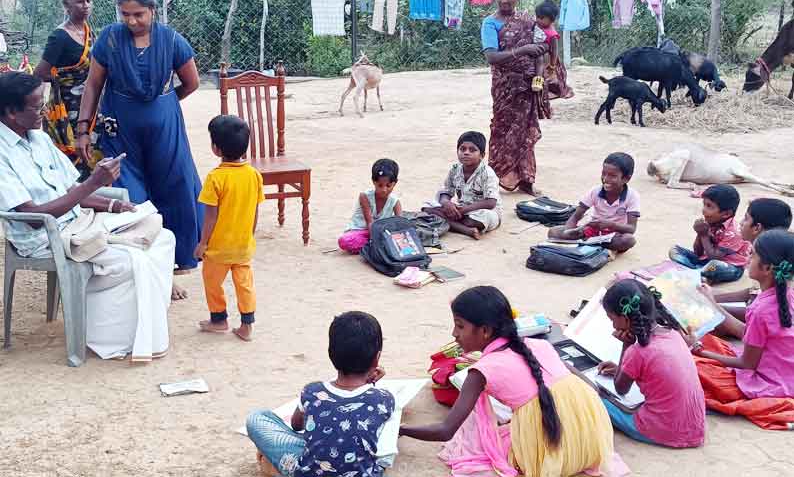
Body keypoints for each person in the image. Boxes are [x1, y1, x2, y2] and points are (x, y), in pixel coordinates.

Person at [0, 71, 176, 361]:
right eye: (36, 106)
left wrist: (112, 206)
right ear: (11, 112)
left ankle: (139, 326)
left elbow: (71, 189)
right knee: (133, 260)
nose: (44, 111)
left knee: (162, 238)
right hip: (45, 236)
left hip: (78, 221)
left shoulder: (39, 138)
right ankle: (111, 340)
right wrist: (93, 184)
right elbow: (31, 217)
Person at [399, 286, 622, 477]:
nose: (454, 334)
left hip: (550, 458)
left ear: (485, 331)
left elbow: (446, 430)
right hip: (591, 443)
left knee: (474, 439)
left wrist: (403, 430)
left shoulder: (480, 372)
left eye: (460, 326)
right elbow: (586, 385)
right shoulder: (539, 345)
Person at [76, 0, 203, 294]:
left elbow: (191, 82)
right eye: (125, 14)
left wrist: (163, 105)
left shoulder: (172, 41)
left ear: (153, 11)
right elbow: (93, 85)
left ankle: (175, 261)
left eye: (138, 14)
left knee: (173, 188)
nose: (132, 21)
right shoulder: (109, 39)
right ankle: (142, 264)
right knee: (128, 193)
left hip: (165, 129)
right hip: (120, 129)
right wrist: (83, 127)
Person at [246, 311, 394, 477]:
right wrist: (370, 382)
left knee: (257, 417)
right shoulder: (384, 398)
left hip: (310, 471)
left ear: (331, 354)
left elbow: (296, 426)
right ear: (377, 358)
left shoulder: (312, 391)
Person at [691, 229, 794, 430]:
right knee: (707, 342)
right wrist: (711, 302)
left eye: (752, 253)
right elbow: (748, 333)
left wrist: (701, 352)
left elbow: (746, 363)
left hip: (771, 381)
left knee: (692, 363)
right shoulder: (787, 296)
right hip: (787, 373)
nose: (747, 256)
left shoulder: (760, 309)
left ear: (766, 268)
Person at [596, 280, 706, 447]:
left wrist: (626, 344)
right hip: (694, 427)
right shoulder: (673, 333)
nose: (613, 325)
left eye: (612, 319)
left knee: (595, 399)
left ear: (625, 318)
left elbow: (621, 389)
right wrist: (621, 369)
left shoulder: (638, 351)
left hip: (663, 430)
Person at [194, 116, 264, 342]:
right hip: (243, 245)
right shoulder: (254, 175)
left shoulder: (215, 177)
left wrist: (203, 244)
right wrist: (249, 235)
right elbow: (254, 210)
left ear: (216, 149)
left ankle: (219, 319)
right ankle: (246, 326)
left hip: (218, 249)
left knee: (212, 282)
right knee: (245, 284)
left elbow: (210, 216)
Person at [481, 0, 550, 196]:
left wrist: (538, 80)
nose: (505, 1)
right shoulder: (490, 23)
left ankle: (526, 180)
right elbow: (492, 57)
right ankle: (493, 178)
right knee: (502, 129)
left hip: (527, 87)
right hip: (505, 87)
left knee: (525, 131)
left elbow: (541, 50)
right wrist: (522, 51)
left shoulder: (529, 21)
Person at [34, 0, 100, 181]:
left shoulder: (89, 31)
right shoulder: (60, 37)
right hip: (67, 109)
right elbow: (40, 73)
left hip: (91, 105)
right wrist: (64, 83)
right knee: (72, 158)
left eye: (89, 1)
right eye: (80, 2)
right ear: (67, 5)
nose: (86, 5)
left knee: (95, 152)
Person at [548, 152, 639, 253]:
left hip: (614, 234)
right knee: (554, 232)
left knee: (628, 240)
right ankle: (596, 244)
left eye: (612, 176)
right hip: (591, 231)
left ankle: (591, 243)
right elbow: (575, 217)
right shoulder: (595, 191)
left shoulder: (632, 196)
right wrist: (569, 231)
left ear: (626, 178)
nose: (605, 179)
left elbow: (631, 228)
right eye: (603, 173)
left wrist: (611, 225)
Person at [713, 198, 792, 313]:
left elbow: (753, 313)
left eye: (746, 218)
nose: (740, 223)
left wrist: (712, 305)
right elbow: (753, 292)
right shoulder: (770, 253)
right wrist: (711, 298)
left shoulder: (768, 260)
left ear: (757, 228)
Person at [423, 131, 502, 240]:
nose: (466, 153)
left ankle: (454, 223)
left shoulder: (487, 173)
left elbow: (491, 202)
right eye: (462, 149)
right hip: (460, 210)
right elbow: (446, 191)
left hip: (481, 212)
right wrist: (446, 203)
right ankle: (465, 230)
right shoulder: (455, 169)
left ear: (482, 155)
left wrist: (463, 210)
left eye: (472, 150)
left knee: (482, 218)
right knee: (426, 207)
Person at [669, 184, 751, 284]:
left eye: (709, 206)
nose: (704, 210)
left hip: (730, 266)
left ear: (726, 214)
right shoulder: (710, 221)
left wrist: (704, 235)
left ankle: (694, 273)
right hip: (706, 260)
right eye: (704, 204)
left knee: (713, 266)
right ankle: (697, 273)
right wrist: (700, 233)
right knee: (674, 250)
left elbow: (715, 257)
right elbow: (698, 253)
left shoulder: (733, 232)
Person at [338, 158, 403, 254]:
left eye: (388, 185)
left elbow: (400, 223)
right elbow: (370, 223)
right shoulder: (364, 196)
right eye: (380, 185)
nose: (384, 190)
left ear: (395, 183)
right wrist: (376, 240)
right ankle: (377, 245)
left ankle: (374, 246)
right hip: (361, 231)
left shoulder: (395, 201)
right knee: (344, 241)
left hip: (382, 233)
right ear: (373, 182)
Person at [533, 0, 573, 101]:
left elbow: (555, 50)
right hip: (534, 55)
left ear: (551, 20)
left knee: (547, 76)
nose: (538, 19)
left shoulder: (552, 34)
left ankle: (543, 89)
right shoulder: (534, 25)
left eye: (542, 18)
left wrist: (552, 65)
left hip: (548, 60)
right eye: (537, 17)